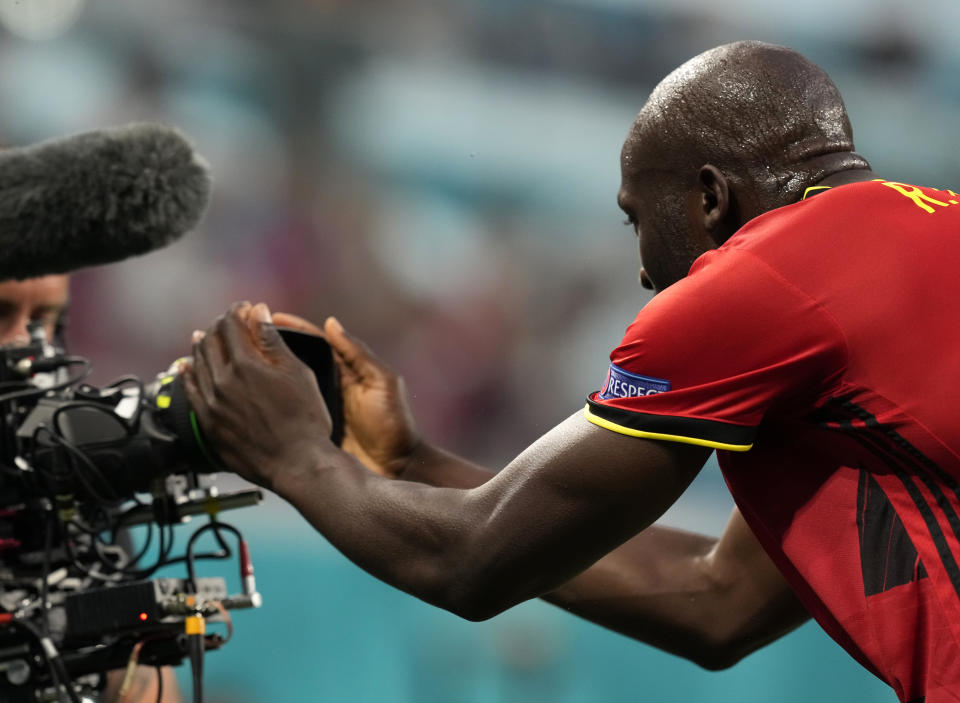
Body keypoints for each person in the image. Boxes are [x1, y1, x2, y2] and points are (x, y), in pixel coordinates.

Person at [183, 41, 960, 702]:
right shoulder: (920, 244)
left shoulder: (760, 281)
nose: (647, 276)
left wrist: (289, 453)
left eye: (638, 219)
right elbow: (719, 599)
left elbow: (471, 563)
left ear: (711, 198)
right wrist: (411, 463)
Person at [0, 275, 183, 702]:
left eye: (46, 320)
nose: (28, 346)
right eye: (1, 315)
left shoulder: (70, 483)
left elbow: (144, 684)